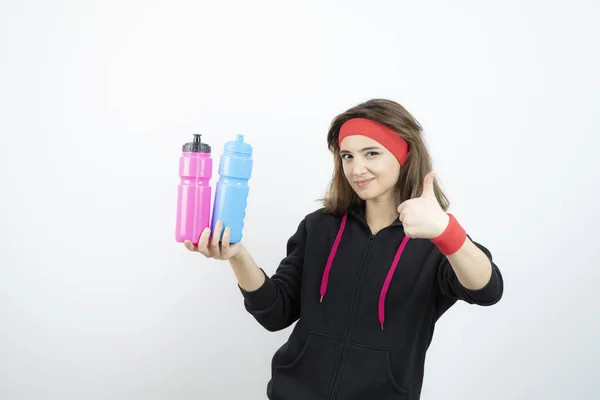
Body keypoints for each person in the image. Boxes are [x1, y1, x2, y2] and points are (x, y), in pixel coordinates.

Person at [184, 98, 504, 400]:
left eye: (371, 153)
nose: (356, 169)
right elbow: (275, 311)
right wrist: (237, 254)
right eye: (347, 156)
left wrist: (447, 233)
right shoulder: (319, 227)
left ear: (404, 155)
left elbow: (488, 289)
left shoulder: (435, 240)